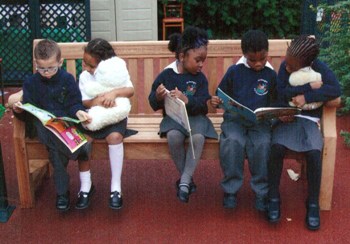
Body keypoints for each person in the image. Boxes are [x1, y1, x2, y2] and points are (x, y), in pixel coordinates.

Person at [266, 35, 341, 230]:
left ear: (308, 63)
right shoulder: (286, 66)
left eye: (292, 66)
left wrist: (307, 96)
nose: (287, 67)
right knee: (276, 148)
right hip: (288, 117)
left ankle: (313, 203)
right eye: (287, 62)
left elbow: (335, 89)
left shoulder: (319, 68)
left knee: (314, 153)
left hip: (309, 120)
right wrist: (307, 88)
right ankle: (273, 196)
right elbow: (280, 91)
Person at [12, 39, 92, 211]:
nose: (46, 72)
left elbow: (74, 103)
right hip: (41, 127)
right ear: (35, 64)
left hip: (63, 126)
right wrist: (19, 111)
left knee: (55, 152)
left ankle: (62, 193)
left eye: (51, 68)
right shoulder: (30, 82)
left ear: (60, 63)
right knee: (44, 129)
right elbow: (28, 111)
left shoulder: (68, 79)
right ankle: (80, 150)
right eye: (41, 68)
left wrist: (79, 112)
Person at [148, 26, 217, 203]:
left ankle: (184, 182)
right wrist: (158, 96)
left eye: (204, 60)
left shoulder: (200, 78)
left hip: (196, 118)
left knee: (198, 138)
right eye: (198, 60)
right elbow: (153, 102)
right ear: (181, 57)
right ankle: (187, 180)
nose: (201, 64)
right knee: (173, 137)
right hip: (174, 119)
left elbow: (204, 105)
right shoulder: (167, 75)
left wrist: (187, 100)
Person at [210, 30, 277, 211]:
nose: (258, 63)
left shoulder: (270, 75)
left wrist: (277, 113)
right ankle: (231, 190)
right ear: (244, 55)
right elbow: (220, 94)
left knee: (263, 145)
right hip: (235, 120)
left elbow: (277, 100)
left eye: (262, 59)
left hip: (259, 123)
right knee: (232, 142)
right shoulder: (234, 71)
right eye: (252, 59)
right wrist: (216, 101)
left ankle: (261, 192)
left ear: (267, 53)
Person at [79, 38, 136, 210]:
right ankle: (85, 185)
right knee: (84, 139)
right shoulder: (84, 77)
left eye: (92, 66)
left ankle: (116, 187)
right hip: (93, 117)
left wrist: (114, 93)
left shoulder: (116, 74)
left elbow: (130, 90)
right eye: (85, 63)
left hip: (114, 117)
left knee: (115, 137)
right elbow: (85, 102)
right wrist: (98, 101)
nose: (87, 68)